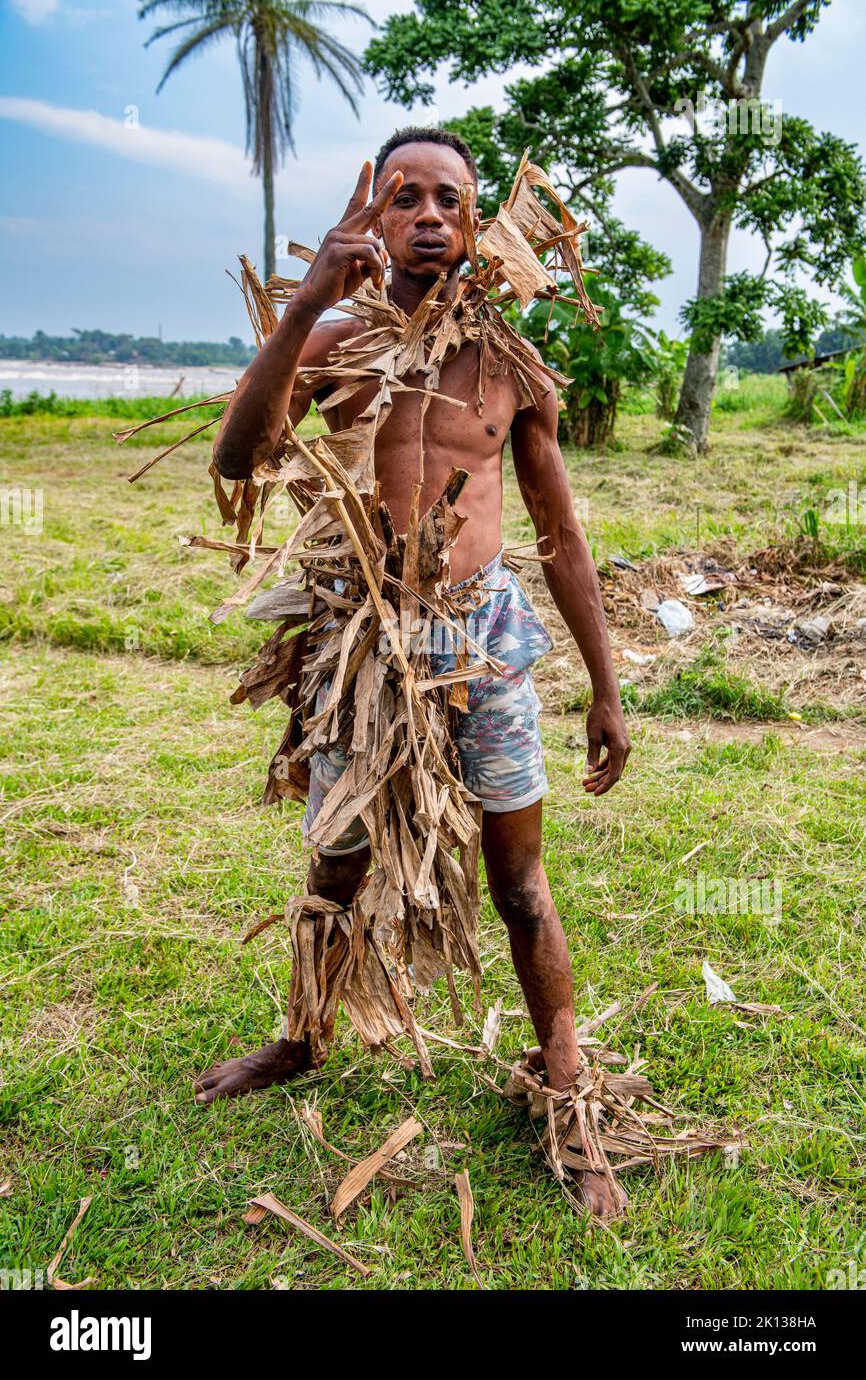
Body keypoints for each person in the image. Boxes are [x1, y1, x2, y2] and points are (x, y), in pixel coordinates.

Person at [194, 127, 632, 1218]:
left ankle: (568, 1096)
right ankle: (300, 1037)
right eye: (404, 198)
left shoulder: (511, 366)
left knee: (520, 882)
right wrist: (300, 309)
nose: (428, 215)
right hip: (360, 643)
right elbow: (234, 460)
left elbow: (560, 532)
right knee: (334, 865)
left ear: (476, 225)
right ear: (373, 219)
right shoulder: (333, 342)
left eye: (449, 199)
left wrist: (606, 686)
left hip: (479, 639)